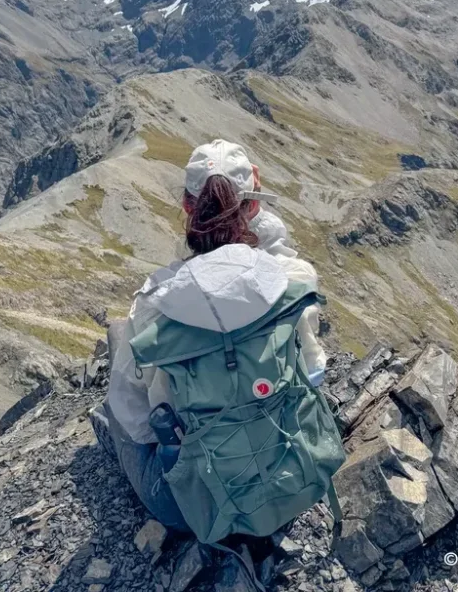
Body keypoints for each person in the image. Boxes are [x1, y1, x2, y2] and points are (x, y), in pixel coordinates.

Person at [91, 138, 331, 533]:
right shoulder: (294, 282)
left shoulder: (156, 302)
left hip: (191, 507)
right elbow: (315, 370)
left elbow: (136, 420)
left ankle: (106, 440)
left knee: (120, 340)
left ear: (187, 208)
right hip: (291, 477)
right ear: (254, 207)